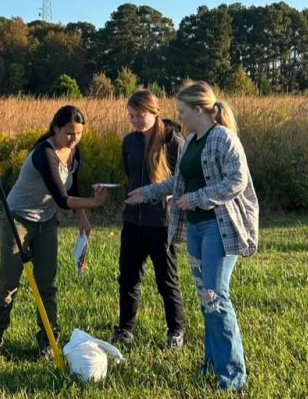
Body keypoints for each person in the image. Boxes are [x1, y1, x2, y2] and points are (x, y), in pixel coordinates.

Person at [126, 81, 258, 392]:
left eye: (182, 111)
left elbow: (236, 181)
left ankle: (232, 377)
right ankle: (211, 364)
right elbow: (177, 183)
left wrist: (198, 199)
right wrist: (146, 193)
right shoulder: (191, 140)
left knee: (216, 298)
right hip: (197, 230)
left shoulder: (224, 139)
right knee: (206, 299)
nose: (179, 116)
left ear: (199, 110)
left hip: (219, 227)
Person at [0, 105, 108, 359]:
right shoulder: (44, 153)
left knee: (47, 283)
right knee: (9, 282)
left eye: (79, 133)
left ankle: (48, 340)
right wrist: (93, 203)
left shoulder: (74, 153)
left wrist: (82, 218)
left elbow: (73, 188)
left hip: (46, 221)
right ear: (56, 128)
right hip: (19, 220)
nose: (74, 139)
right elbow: (61, 198)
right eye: (70, 133)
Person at [111, 89, 186, 351]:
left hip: (161, 222)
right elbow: (129, 172)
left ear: (155, 112)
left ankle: (176, 331)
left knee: (166, 279)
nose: (134, 120)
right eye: (131, 116)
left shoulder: (172, 141)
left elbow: (181, 182)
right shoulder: (129, 142)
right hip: (132, 221)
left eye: (139, 115)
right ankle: (125, 330)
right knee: (128, 277)